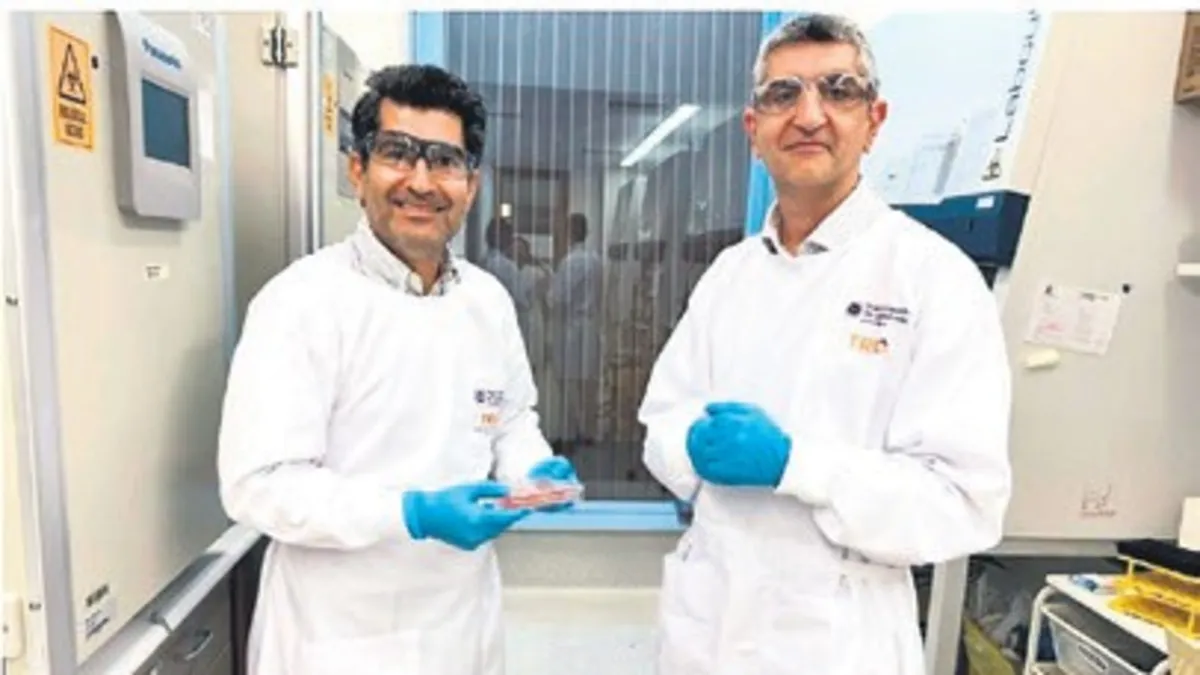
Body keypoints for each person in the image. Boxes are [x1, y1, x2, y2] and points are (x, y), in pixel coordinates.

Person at [638, 14, 1011, 675]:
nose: (809, 115)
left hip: (838, 638)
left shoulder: (932, 277)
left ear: (874, 120)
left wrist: (797, 464)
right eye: (783, 94)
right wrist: (688, 445)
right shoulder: (729, 274)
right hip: (707, 622)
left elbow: (962, 503)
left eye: (838, 90)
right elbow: (662, 421)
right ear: (754, 129)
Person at [217, 64, 578, 675]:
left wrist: (532, 469)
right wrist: (412, 513)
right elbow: (260, 484)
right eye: (396, 153)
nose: (421, 181)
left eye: (445, 161)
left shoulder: (486, 300)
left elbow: (512, 419)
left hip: (461, 622)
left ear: (471, 184)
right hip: (339, 635)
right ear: (358, 170)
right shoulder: (300, 301)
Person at [546, 212, 604, 449]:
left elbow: (557, 298)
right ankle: (588, 430)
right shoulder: (596, 259)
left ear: (570, 232)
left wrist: (545, 289)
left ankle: (572, 431)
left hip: (572, 328)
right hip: (590, 325)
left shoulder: (572, 262)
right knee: (588, 383)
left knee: (569, 382)